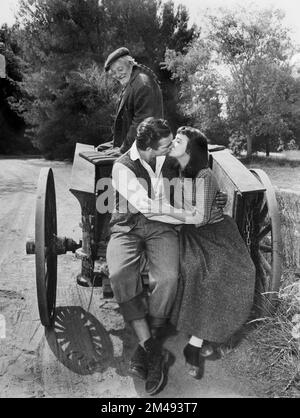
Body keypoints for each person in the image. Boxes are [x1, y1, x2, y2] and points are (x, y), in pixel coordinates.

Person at [106, 118, 227, 395]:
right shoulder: (122, 167)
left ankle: (147, 345)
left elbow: (197, 176)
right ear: (148, 147)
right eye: (165, 145)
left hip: (162, 227)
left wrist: (212, 198)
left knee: (168, 277)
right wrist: (187, 216)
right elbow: (147, 208)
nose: (171, 146)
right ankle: (153, 351)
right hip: (128, 224)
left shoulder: (169, 160)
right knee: (119, 275)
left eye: (172, 141)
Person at [164, 126, 256, 378]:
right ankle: (197, 341)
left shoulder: (204, 175)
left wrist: (168, 210)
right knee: (193, 271)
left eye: (179, 141)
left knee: (225, 273)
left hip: (214, 233)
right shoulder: (170, 170)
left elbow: (201, 219)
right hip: (186, 232)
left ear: (190, 150)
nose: (173, 144)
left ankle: (197, 345)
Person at [99, 47, 164, 154]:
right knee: (98, 150)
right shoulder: (132, 81)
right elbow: (126, 123)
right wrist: (116, 144)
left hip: (147, 152)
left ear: (130, 63)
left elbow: (140, 125)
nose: (118, 75)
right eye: (114, 73)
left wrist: (123, 150)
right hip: (135, 147)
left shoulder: (143, 84)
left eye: (120, 69)